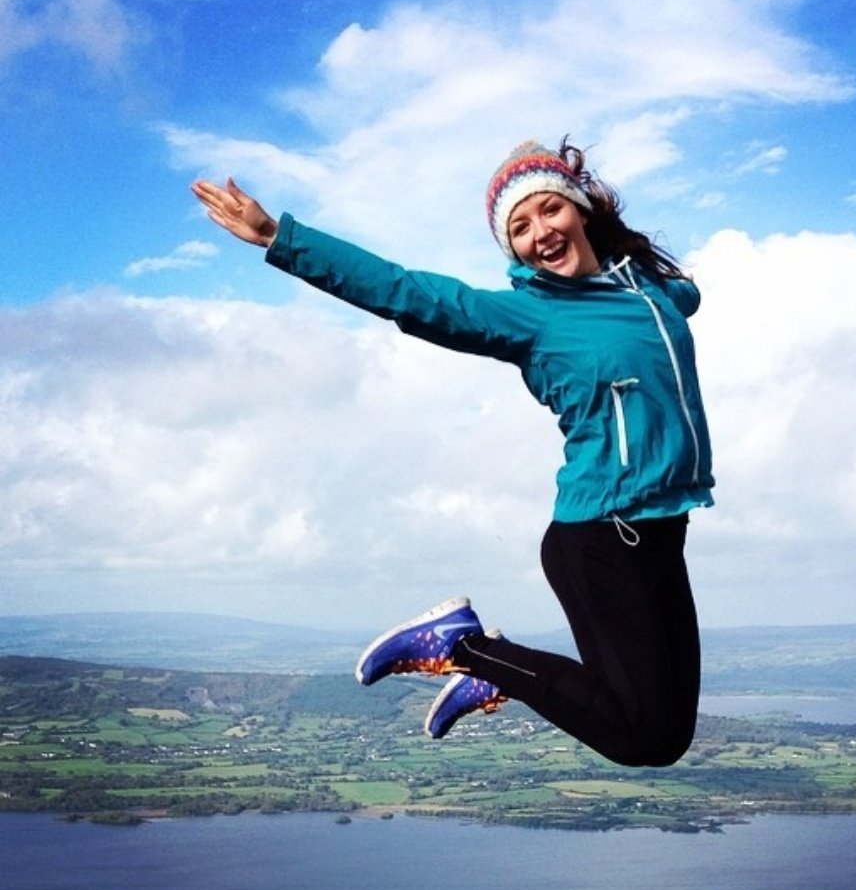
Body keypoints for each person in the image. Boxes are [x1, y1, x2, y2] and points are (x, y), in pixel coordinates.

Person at [192, 138, 715, 767]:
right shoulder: (530, 318)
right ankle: (465, 648)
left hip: (663, 532)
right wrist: (281, 237)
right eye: (519, 228)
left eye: (550, 210)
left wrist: (636, 258)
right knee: (644, 739)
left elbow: (684, 295)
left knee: (668, 732)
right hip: (605, 537)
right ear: (513, 250)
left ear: (579, 211)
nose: (540, 233)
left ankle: (498, 670)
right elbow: (409, 294)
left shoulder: (648, 294)